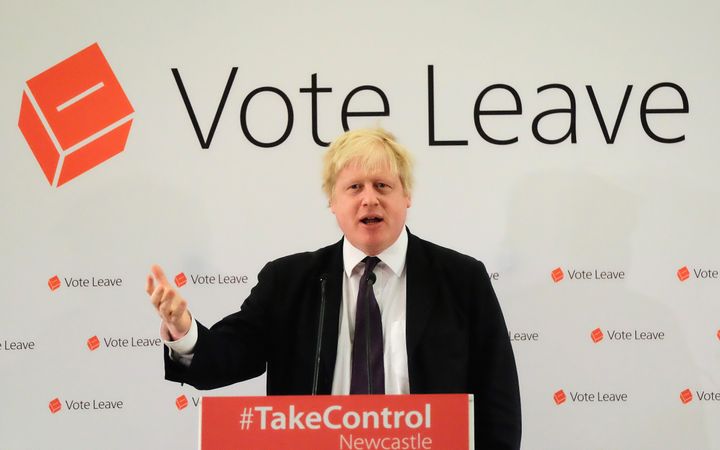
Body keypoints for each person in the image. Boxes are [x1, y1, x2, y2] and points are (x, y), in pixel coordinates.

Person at [147, 128, 521, 449]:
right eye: (354, 187)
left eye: (383, 186)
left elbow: (498, 399)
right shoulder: (288, 281)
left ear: (406, 196)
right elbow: (230, 356)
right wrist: (184, 332)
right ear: (333, 201)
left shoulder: (461, 278)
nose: (369, 198)